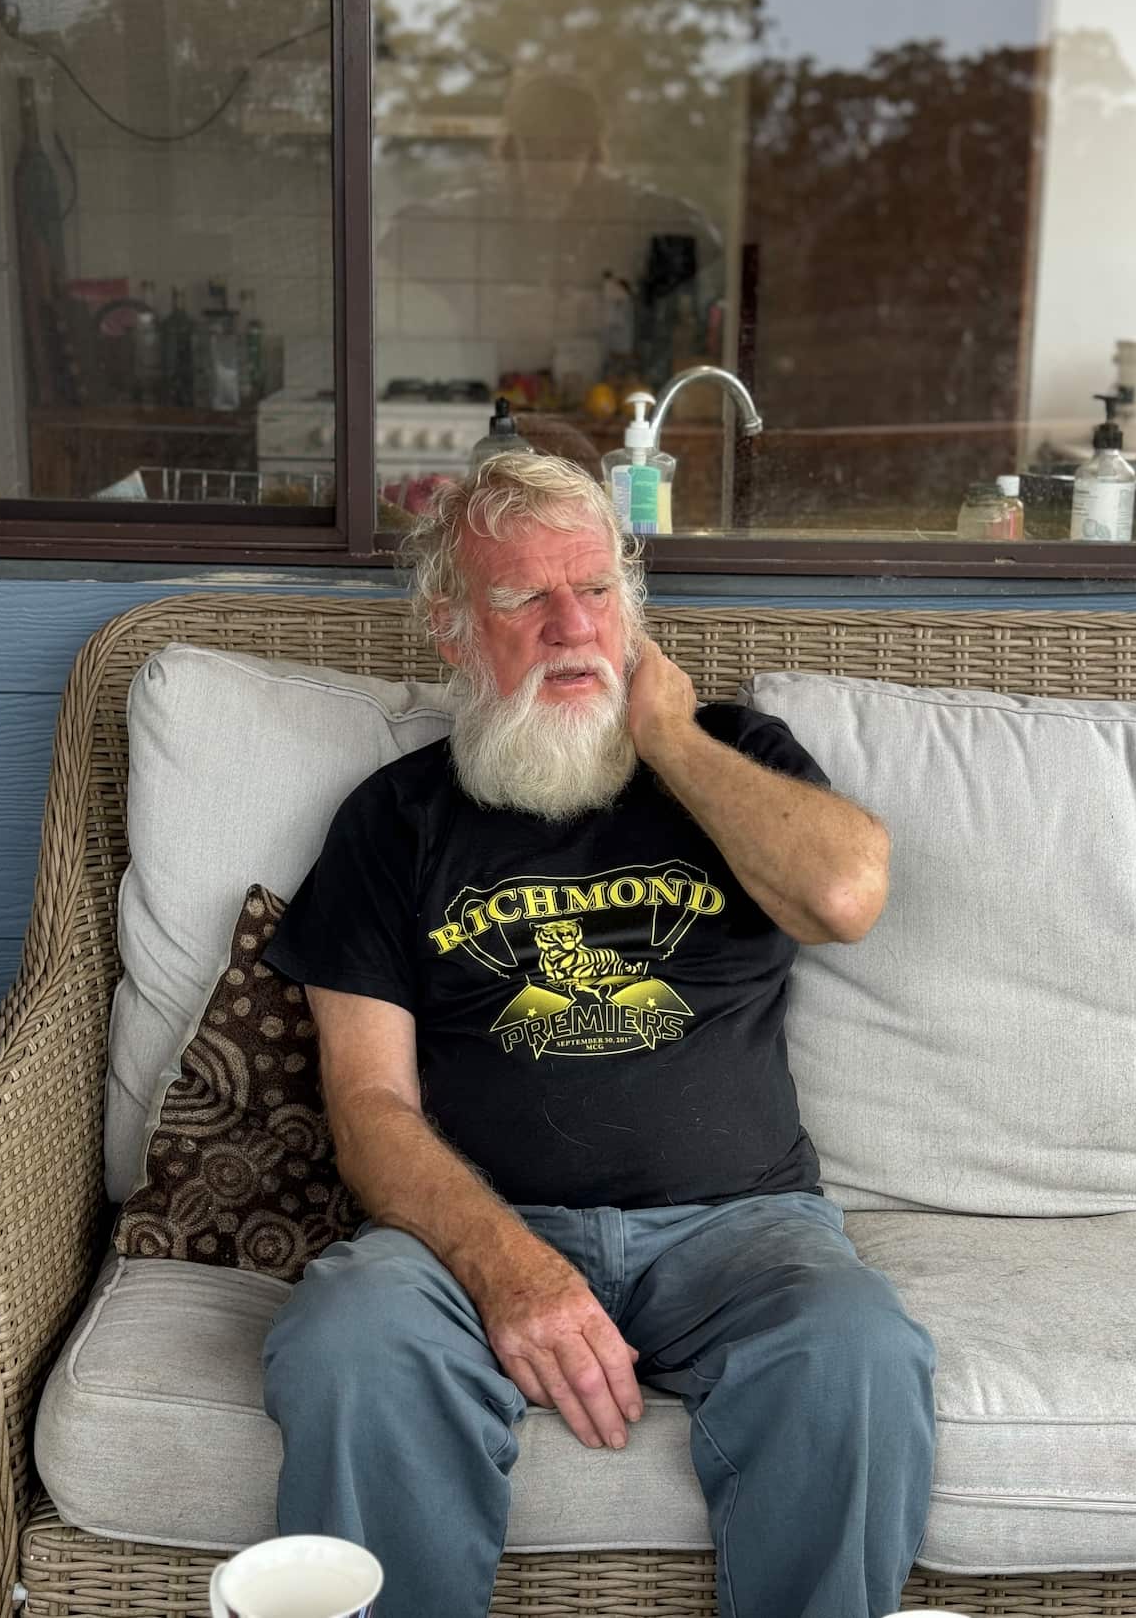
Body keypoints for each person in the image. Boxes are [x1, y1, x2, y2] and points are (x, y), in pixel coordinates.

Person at [262, 451, 936, 1618]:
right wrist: (504, 1263)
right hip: (474, 1236)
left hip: (742, 1233)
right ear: (451, 629)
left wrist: (669, 737)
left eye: (596, 590)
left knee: (857, 1347)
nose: (571, 626)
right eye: (522, 598)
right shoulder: (394, 821)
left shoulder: (737, 761)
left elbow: (843, 898)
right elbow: (367, 1107)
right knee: (348, 1330)